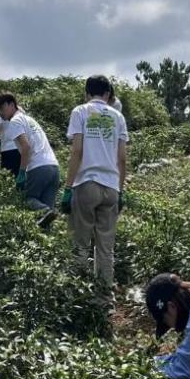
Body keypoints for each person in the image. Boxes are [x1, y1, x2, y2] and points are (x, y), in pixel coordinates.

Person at [60, 75, 129, 303]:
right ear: (108, 94)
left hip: (86, 183)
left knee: (80, 244)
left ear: (87, 93)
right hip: (111, 187)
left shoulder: (80, 111)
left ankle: (77, 298)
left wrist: (68, 188)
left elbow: (77, 151)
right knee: (105, 249)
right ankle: (104, 300)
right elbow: (122, 159)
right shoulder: (118, 117)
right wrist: (120, 191)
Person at [0, 93, 59, 220]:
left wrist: (22, 173)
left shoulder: (15, 121)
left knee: (26, 199)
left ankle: (45, 211)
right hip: (53, 168)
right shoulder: (29, 119)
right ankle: (49, 216)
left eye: (2, 108)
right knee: (46, 218)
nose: (0, 113)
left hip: (38, 167)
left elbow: (26, 147)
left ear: (12, 104)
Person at [0, 107, 22, 177]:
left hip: (8, 148)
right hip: (21, 148)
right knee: (20, 174)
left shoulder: (1, 110)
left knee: (7, 175)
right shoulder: (20, 110)